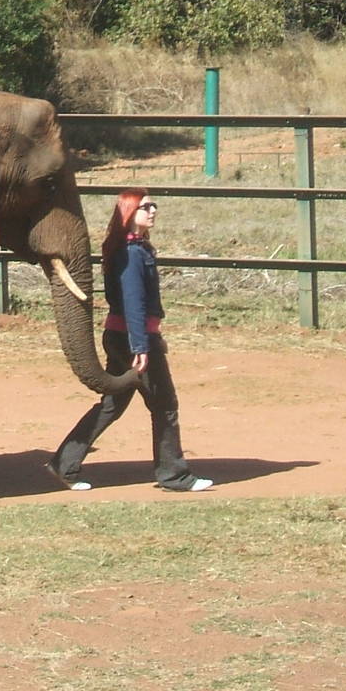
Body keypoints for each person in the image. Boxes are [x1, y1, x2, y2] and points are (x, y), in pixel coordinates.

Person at [46, 188, 213, 493]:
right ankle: (175, 476)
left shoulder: (135, 249)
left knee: (112, 405)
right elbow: (133, 303)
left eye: (153, 205)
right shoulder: (131, 254)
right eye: (145, 207)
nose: (152, 211)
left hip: (124, 336)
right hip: (133, 339)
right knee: (164, 405)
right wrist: (142, 346)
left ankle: (64, 462)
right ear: (128, 213)